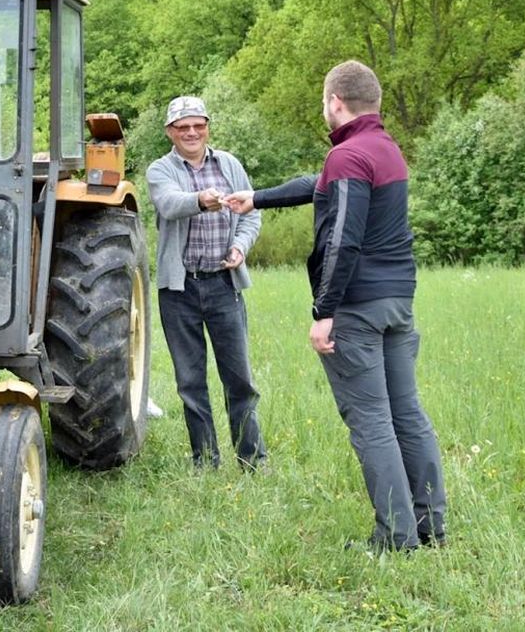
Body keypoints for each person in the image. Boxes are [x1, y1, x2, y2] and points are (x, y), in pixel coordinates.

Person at [224, 60, 446, 551]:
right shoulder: (384, 149)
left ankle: (396, 537)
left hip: (357, 309)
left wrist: (325, 311)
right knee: (407, 413)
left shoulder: (348, 158)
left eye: (324, 102)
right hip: (397, 302)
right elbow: (317, 183)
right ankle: (431, 526)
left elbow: (343, 239)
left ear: (335, 103)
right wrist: (256, 198)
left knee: (372, 422)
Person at [147, 96, 266, 470]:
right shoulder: (160, 169)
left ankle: (252, 460)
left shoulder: (229, 164)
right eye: (183, 127)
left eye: (198, 125)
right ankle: (205, 461)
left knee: (240, 379)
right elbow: (169, 204)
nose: (192, 133)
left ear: (207, 127)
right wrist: (201, 199)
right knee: (190, 382)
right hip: (179, 290)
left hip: (223, 285)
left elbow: (251, 215)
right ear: (170, 132)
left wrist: (239, 246)